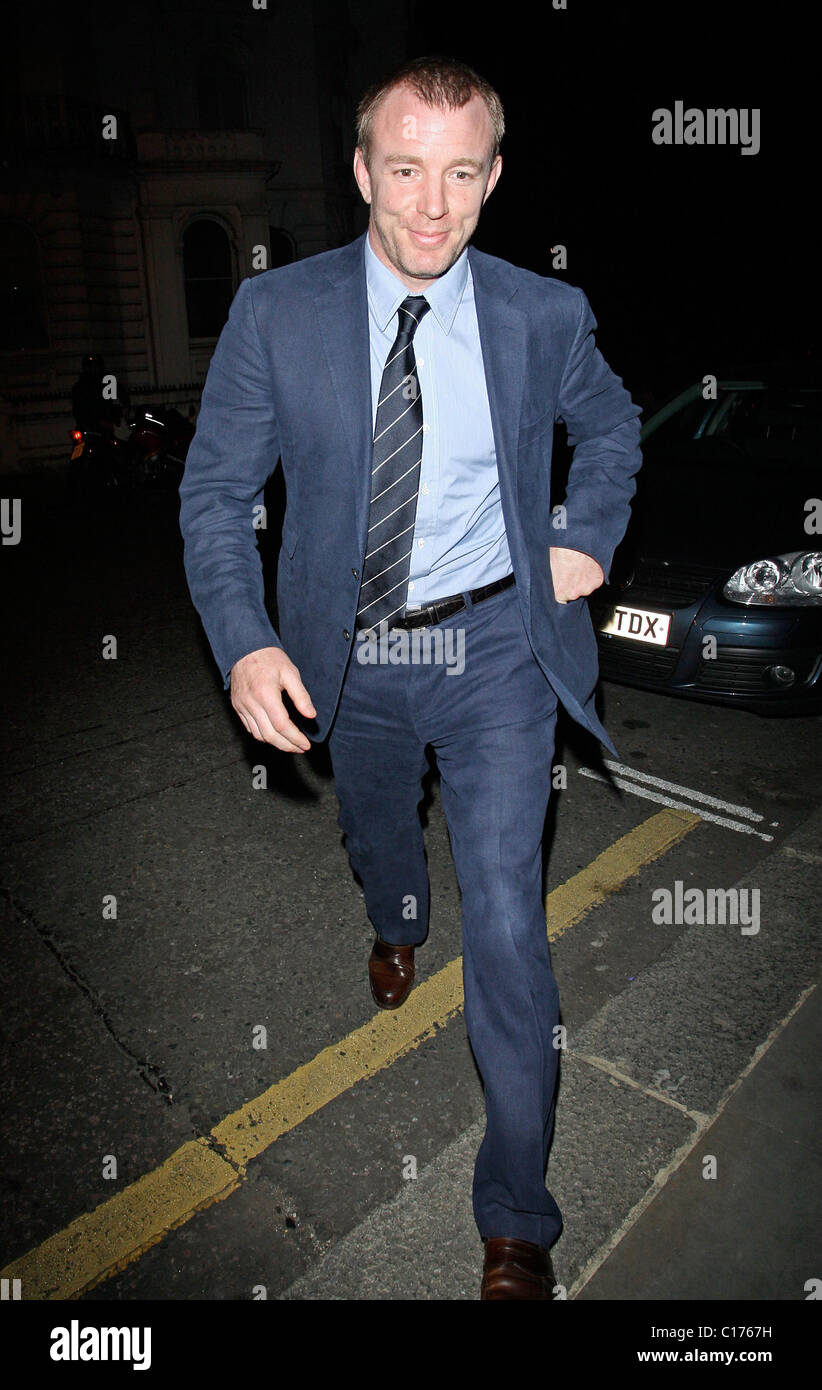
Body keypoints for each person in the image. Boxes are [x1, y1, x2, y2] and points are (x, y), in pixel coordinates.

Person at [179, 55, 642, 1300]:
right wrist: (247, 639)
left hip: (497, 646)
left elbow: (612, 426)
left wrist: (584, 534)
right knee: (385, 843)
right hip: (358, 653)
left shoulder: (545, 314)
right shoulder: (280, 315)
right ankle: (392, 921)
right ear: (359, 172)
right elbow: (217, 496)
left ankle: (517, 1219)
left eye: (460, 174)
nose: (430, 207)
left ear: (493, 176)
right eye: (403, 171)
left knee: (505, 913)